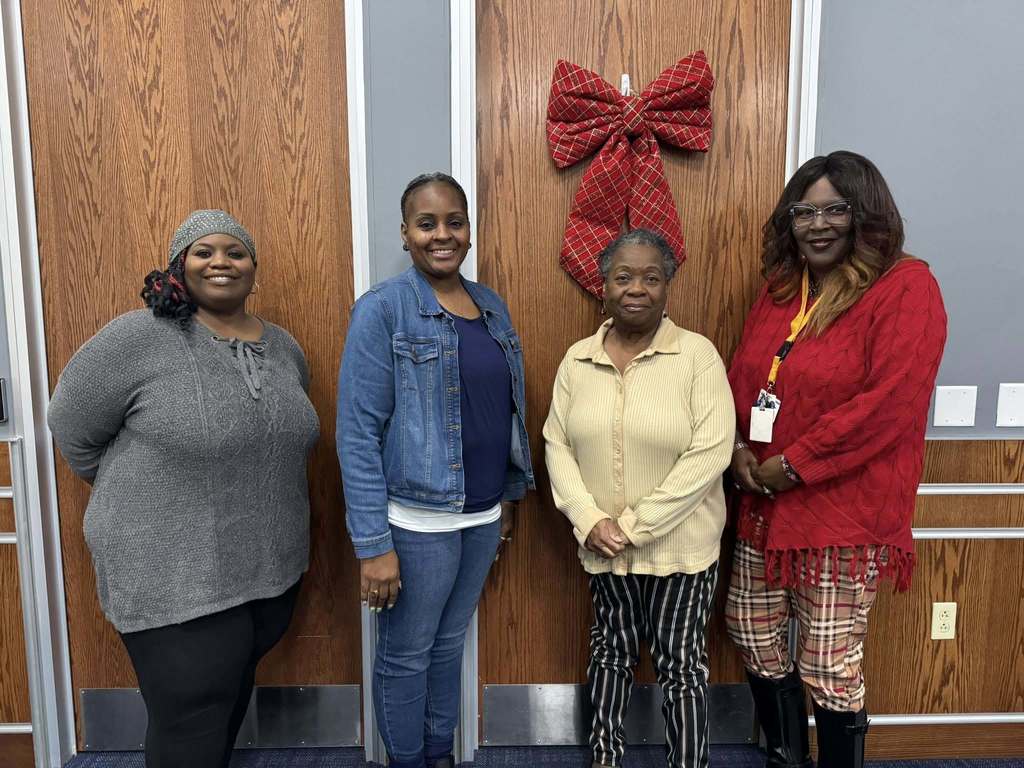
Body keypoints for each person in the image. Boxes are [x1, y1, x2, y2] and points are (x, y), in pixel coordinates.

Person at [47, 210, 320, 767]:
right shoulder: (137, 337)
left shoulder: (284, 347)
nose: (221, 261)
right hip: (171, 574)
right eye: (203, 251)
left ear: (253, 269)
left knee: (225, 704)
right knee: (191, 719)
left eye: (235, 251)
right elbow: (71, 427)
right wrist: (150, 496)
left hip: (266, 571)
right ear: (179, 267)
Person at [724, 151, 947, 768]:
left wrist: (795, 464)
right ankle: (784, 757)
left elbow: (890, 403)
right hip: (762, 503)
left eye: (834, 209)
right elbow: (746, 378)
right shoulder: (782, 289)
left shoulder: (907, 286)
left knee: (826, 663)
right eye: (805, 211)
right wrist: (740, 449)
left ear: (865, 214)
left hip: (839, 512)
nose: (817, 224)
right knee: (753, 633)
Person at [336, 172, 534, 768]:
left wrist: (504, 500)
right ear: (405, 233)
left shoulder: (490, 307)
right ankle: (407, 761)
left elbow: (504, 410)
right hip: (414, 526)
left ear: (469, 230)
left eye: (454, 221)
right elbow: (357, 433)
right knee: (406, 655)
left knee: (448, 648)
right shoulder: (382, 310)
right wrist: (373, 545)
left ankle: (438, 755)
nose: (442, 235)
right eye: (427, 224)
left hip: (480, 519)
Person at [543, 228, 735, 768]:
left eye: (651, 278)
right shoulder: (577, 361)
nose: (637, 289)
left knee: (681, 665)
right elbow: (556, 443)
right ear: (602, 286)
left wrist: (632, 525)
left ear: (668, 286)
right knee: (609, 655)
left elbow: (711, 453)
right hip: (603, 548)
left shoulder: (697, 357)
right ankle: (605, 757)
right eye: (623, 277)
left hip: (681, 552)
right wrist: (588, 518)